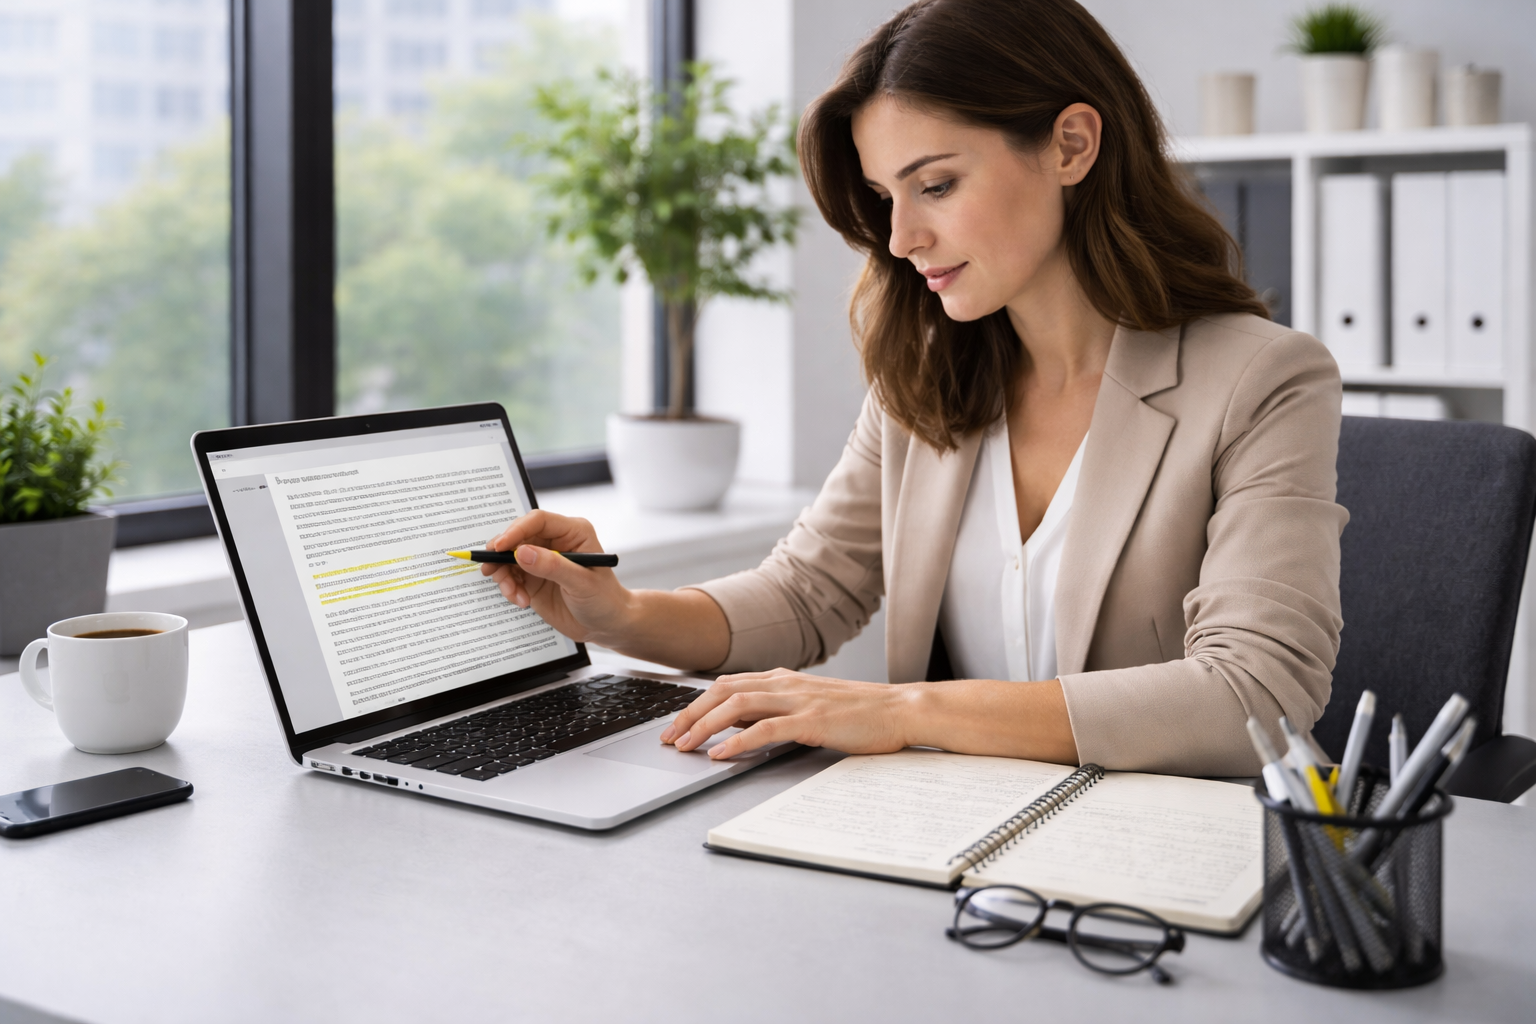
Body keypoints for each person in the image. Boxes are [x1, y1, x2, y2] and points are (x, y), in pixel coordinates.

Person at [484, 0, 1346, 777]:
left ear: (1071, 145)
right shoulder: (927, 378)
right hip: (968, 840)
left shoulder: (1262, 378)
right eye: (884, 196)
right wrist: (620, 613)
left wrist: (903, 712)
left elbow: (1255, 691)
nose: (900, 237)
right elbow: (806, 595)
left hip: (1186, 849)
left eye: (936, 184)